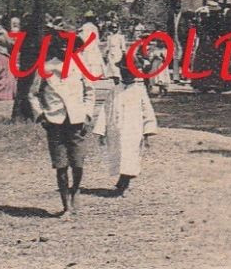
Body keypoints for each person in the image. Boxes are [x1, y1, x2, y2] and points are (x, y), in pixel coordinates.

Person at [27, 31, 94, 216]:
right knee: (61, 165)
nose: (65, 48)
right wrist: (41, 115)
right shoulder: (45, 66)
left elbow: (89, 91)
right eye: (62, 44)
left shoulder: (80, 65)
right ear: (55, 46)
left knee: (78, 163)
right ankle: (66, 205)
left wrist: (87, 113)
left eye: (70, 45)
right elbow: (32, 94)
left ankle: (76, 189)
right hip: (54, 121)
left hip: (77, 120)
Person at [100, 55, 159, 196]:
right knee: (119, 155)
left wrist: (147, 131)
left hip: (133, 130)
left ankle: (123, 183)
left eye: (130, 72)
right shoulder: (115, 90)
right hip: (116, 128)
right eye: (124, 72)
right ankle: (123, 179)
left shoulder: (139, 90)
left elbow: (147, 111)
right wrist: (102, 130)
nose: (126, 75)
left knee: (130, 156)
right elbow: (105, 110)